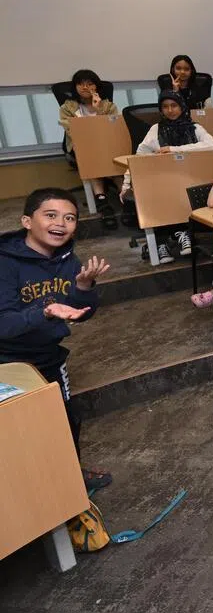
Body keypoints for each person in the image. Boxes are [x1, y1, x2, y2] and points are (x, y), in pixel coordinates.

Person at [0, 188, 111, 491]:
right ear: (27, 220)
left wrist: (84, 287)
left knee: (65, 421)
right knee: (20, 429)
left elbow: (82, 313)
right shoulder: (5, 263)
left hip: (48, 355)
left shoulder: (68, 259)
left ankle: (71, 478)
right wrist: (45, 312)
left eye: (70, 217)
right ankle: (34, 490)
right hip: (7, 362)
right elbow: (3, 324)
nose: (61, 223)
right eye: (50, 215)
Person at [120, 94, 213, 263]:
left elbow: (212, 145)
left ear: (182, 107)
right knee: (158, 196)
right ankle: (162, 242)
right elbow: (138, 159)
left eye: (174, 105)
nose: (170, 110)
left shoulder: (194, 127)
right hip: (162, 181)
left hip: (189, 178)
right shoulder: (156, 129)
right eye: (165, 106)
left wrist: (173, 149)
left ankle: (182, 234)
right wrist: (126, 183)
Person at [58, 68, 120, 229]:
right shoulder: (68, 107)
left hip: (107, 145)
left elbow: (113, 128)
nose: (85, 87)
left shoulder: (108, 106)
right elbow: (71, 129)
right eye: (81, 84)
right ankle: (102, 201)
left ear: (96, 86)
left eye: (90, 83)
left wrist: (98, 110)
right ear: (75, 87)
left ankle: (126, 200)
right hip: (82, 147)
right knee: (90, 157)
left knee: (117, 161)